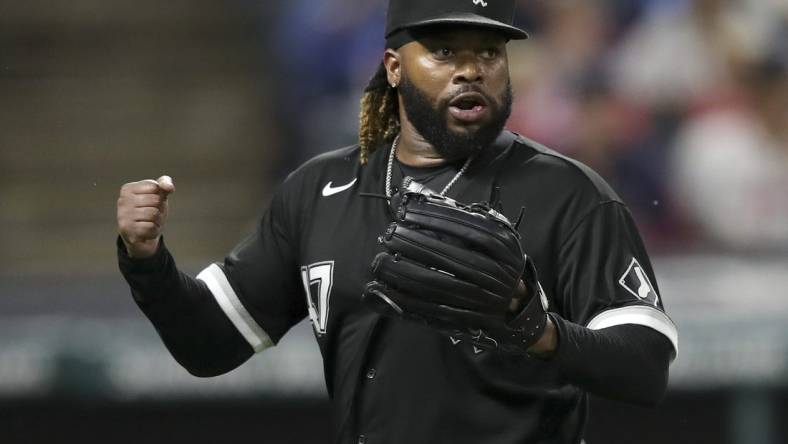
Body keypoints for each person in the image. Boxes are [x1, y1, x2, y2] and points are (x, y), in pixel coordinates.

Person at [116, 0, 678, 442]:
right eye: (443, 51)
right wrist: (147, 262)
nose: (470, 71)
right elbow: (210, 345)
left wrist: (543, 332)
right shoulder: (319, 191)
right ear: (393, 67)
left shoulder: (570, 194)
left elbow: (645, 369)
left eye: (488, 52)